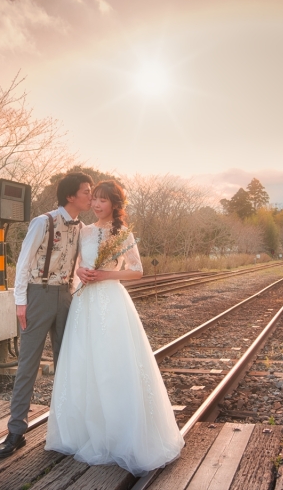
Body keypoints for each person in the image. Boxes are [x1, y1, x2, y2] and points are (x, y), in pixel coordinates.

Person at [45, 180, 184, 476]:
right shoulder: (83, 231)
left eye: (103, 200)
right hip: (84, 302)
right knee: (83, 361)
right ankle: (82, 433)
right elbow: (76, 264)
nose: (96, 204)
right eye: (94, 198)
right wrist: (81, 271)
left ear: (114, 204)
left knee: (112, 364)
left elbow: (136, 271)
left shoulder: (123, 233)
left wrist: (105, 274)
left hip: (111, 301)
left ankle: (119, 434)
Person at [0, 172, 94, 459]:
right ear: (70, 196)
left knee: (67, 363)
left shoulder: (82, 228)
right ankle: (16, 431)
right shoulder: (44, 221)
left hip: (66, 296)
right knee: (28, 364)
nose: (90, 196)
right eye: (86, 191)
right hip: (38, 294)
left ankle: (67, 430)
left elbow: (77, 264)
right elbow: (23, 263)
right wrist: (20, 302)